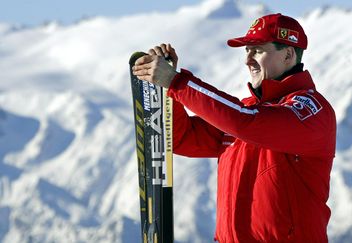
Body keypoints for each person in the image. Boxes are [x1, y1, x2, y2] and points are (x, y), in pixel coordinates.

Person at [132, 13, 336, 243]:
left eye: (257, 50)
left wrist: (177, 83)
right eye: (247, 50)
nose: (248, 59)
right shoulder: (246, 111)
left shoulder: (311, 110)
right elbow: (182, 138)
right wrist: (167, 92)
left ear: (288, 54)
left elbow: (244, 122)